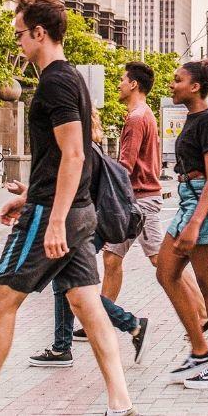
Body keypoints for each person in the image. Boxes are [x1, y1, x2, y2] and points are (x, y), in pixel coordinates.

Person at [0, 0, 135, 416]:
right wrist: (27, 195)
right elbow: (69, 157)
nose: (17, 42)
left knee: (2, 302)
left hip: (56, 214)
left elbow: (75, 154)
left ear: (39, 33)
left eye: (20, 34)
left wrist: (51, 218)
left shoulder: (56, 82)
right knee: (86, 304)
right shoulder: (69, 79)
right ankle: (121, 403)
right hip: (71, 210)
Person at [27, 109, 152, 368]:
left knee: (76, 289)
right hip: (88, 226)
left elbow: (70, 192)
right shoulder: (89, 148)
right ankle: (62, 348)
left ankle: (131, 325)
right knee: (64, 285)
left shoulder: (80, 153)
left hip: (83, 227)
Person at [103, 63, 207, 330]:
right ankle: (103, 316)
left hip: (141, 200)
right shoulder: (142, 114)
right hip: (136, 198)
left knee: (161, 261)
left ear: (134, 84)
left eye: (122, 79)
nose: (118, 84)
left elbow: (125, 165)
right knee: (112, 258)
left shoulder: (137, 118)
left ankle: (203, 312)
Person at [157, 59, 208, 389]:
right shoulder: (192, 118)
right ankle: (200, 349)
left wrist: (195, 223)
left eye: (178, 80)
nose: (172, 84)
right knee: (165, 271)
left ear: (195, 87)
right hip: (188, 201)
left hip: (206, 206)